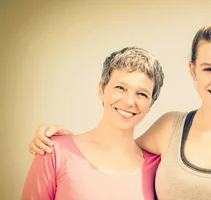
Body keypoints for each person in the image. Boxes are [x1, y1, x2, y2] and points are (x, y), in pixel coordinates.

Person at [27, 12, 211, 200]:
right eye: (208, 68)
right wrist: (64, 144)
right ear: (193, 71)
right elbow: (113, 152)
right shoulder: (169, 129)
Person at [22, 46, 165, 200]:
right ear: (101, 89)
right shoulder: (53, 151)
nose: (129, 101)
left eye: (142, 94)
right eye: (120, 88)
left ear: (150, 105)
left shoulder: (159, 167)